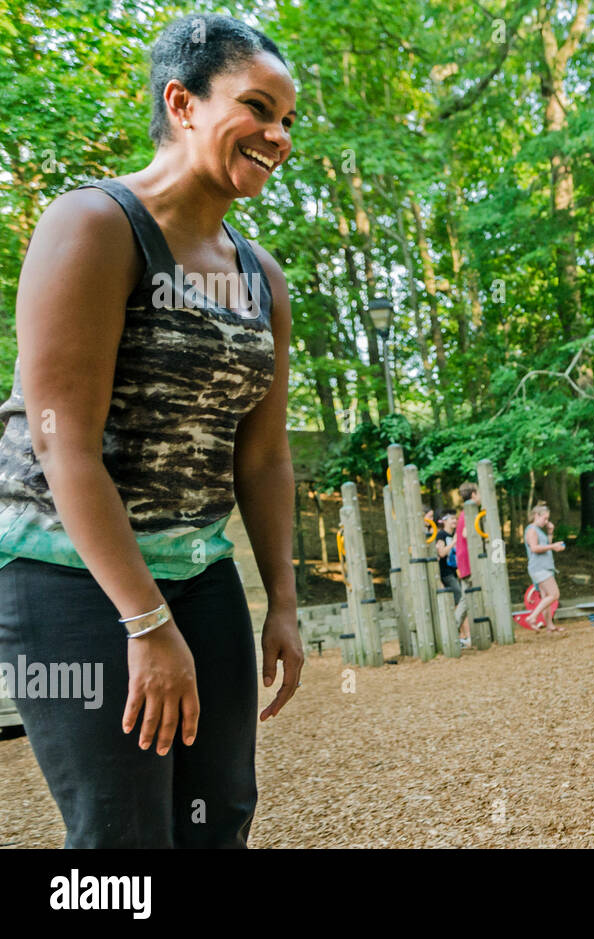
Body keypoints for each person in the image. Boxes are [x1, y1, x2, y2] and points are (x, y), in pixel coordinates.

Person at [0, 14, 303, 847]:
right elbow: (65, 441)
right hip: (71, 578)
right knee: (123, 840)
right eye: (257, 108)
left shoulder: (262, 277)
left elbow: (266, 455)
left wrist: (282, 598)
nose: (277, 136)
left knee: (221, 821)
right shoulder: (93, 225)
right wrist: (144, 621)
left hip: (200, 575)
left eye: (287, 120)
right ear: (182, 103)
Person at [429, 511, 470, 648]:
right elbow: (441, 553)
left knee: (459, 602)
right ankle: (463, 636)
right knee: (460, 601)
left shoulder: (454, 534)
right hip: (445, 573)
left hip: (453, 571)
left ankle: (463, 636)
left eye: (455, 518)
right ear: (444, 521)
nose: (455, 521)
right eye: (452, 518)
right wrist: (453, 542)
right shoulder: (441, 535)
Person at [523, 502, 566, 633]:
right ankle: (532, 617)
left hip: (544, 567)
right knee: (554, 594)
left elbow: (546, 546)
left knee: (546, 596)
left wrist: (550, 533)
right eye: (545, 518)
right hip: (539, 568)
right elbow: (535, 548)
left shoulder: (538, 531)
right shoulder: (531, 530)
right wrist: (553, 546)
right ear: (536, 515)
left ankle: (550, 626)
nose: (546, 521)